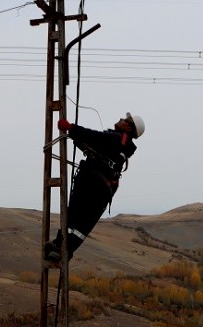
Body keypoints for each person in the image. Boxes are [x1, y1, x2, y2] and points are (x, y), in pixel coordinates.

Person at [43, 112, 144, 266]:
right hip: (97, 185)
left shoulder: (118, 139)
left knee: (76, 219)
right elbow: (91, 144)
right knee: (77, 220)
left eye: (124, 120)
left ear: (128, 128)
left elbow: (94, 137)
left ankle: (62, 249)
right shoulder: (120, 143)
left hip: (94, 184)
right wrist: (74, 134)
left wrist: (71, 128)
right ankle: (60, 247)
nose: (120, 119)